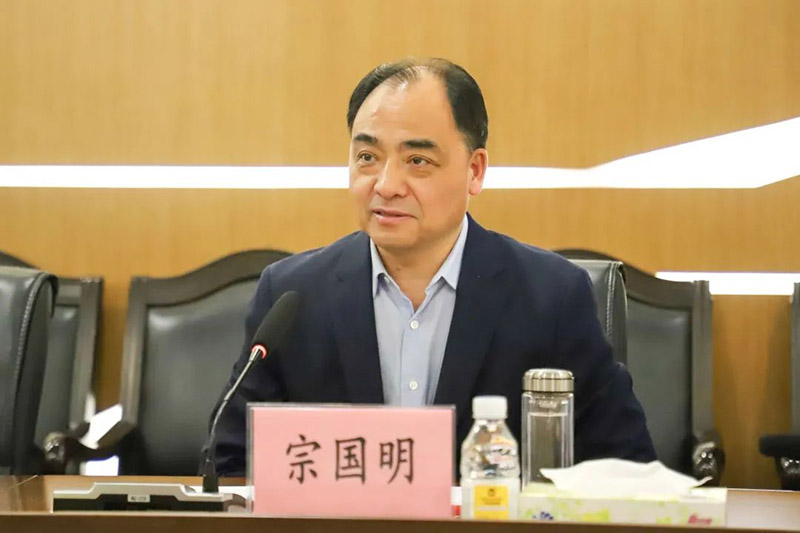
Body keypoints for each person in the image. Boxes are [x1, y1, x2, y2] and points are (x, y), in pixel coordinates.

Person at [210, 58, 655, 476]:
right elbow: (228, 466)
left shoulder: (551, 297)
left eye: (417, 161)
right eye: (367, 157)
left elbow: (626, 469)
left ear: (475, 171)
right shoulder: (292, 296)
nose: (386, 185)